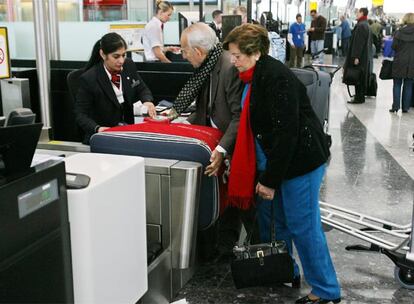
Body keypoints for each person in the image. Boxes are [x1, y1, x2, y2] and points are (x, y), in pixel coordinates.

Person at [223, 23, 341, 304]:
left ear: (255, 53)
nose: (233, 60)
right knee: (274, 221)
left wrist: (269, 180)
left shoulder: (276, 78)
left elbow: (287, 135)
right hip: (274, 162)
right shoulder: (253, 76)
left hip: (300, 163)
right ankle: (285, 270)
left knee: (303, 225)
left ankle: (326, 290)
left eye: (237, 55)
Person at [167, 23, 256, 258]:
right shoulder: (208, 66)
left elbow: (240, 117)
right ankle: (223, 245)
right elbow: (205, 108)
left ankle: (256, 251)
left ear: (198, 51)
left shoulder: (228, 67)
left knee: (242, 201)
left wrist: (222, 148)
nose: (183, 56)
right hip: (216, 137)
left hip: (235, 142)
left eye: (185, 51)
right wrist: (182, 124)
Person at [75, 33, 156, 144]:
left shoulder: (128, 66)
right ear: (103, 54)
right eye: (116, 56)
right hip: (103, 136)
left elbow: (141, 88)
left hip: (128, 132)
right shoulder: (89, 79)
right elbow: (81, 115)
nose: (121, 61)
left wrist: (147, 101)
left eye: (124, 55)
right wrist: (98, 129)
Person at [345, 7, 372, 104]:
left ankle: (359, 98)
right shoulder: (365, 24)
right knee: (360, 76)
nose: (356, 14)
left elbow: (359, 43)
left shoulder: (361, 26)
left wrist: (356, 56)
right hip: (364, 56)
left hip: (359, 56)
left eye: (357, 12)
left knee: (358, 76)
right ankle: (359, 96)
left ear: (362, 13)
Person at [389, 13, 414, 113]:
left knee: (397, 84)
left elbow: (394, 46)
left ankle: (395, 107)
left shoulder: (399, 32)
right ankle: (405, 107)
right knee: (408, 85)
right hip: (412, 62)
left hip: (399, 61)